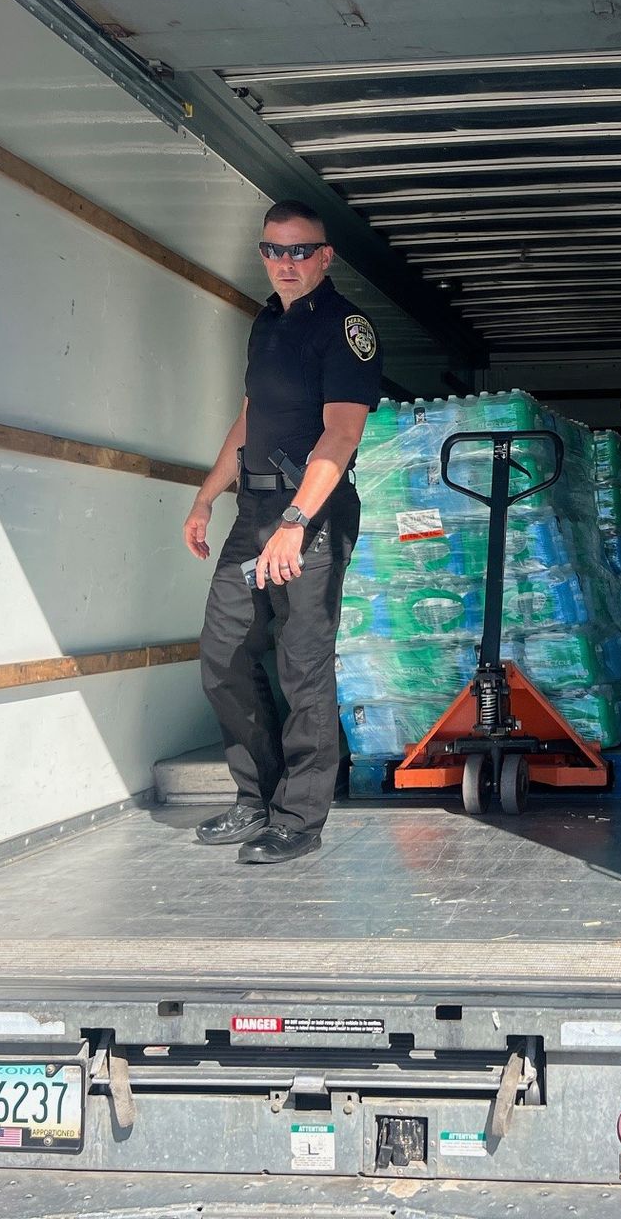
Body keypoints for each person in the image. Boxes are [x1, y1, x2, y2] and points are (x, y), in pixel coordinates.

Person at [184, 200, 383, 863]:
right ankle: (256, 798)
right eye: (275, 250)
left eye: (301, 251)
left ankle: (299, 816)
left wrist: (296, 522)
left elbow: (343, 432)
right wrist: (205, 498)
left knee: (301, 664)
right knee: (223, 654)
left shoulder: (345, 326)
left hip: (312, 515)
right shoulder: (266, 321)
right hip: (254, 516)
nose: (286, 263)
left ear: (325, 256)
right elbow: (248, 419)